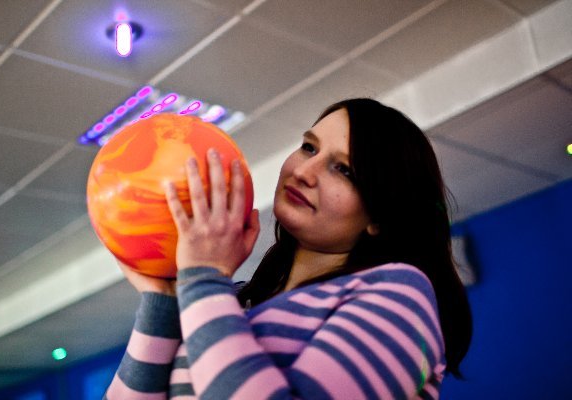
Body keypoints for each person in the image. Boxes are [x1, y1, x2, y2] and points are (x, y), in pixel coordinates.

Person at [104, 98, 473, 399]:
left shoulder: (400, 294)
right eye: (309, 147)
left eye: (343, 169)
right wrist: (164, 302)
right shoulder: (230, 302)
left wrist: (203, 278)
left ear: (380, 215)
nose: (303, 171)